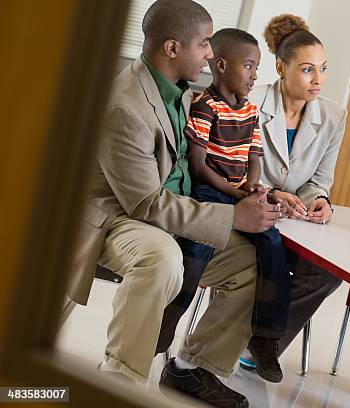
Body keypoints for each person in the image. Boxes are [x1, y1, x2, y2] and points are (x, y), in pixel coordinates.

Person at [66, 1, 280, 406]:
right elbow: (145, 203)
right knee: (161, 258)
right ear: (171, 48)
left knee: (249, 261)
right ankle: (120, 378)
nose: (211, 54)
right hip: (116, 216)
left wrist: (249, 194)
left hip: (169, 209)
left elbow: (203, 162)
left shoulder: (180, 92)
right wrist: (233, 214)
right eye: (203, 44)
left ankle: (193, 369)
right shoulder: (125, 105)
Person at [165, 28, 291, 384]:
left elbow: (254, 154)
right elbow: (199, 165)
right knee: (199, 246)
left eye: (257, 68)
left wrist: (252, 183)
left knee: (273, 244)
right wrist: (238, 197)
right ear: (220, 65)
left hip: (238, 194)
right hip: (210, 193)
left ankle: (266, 337)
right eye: (249, 67)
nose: (255, 76)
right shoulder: (206, 106)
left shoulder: (251, 111)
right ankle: (173, 312)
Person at [232, 14, 348, 374]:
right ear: (281, 67)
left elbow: (320, 179)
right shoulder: (251, 104)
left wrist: (320, 200)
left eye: (323, 69)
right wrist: (273, 194)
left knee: (327, 274)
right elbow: (232, 172)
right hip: (250, 217)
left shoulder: (333, 116)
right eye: (308, 70)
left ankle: (260, 344)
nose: (319, 80)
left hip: (295, 226)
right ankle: (243, 339)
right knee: (269, 263)